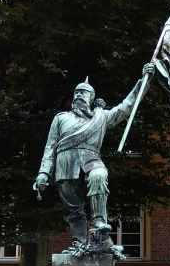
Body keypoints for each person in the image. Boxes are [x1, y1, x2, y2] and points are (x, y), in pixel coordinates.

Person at [33, 63, 154, 253]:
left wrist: (143, 82)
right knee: (74, 209)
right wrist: (43, 173)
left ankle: (99, 222)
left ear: (92, 98)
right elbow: (50, 146)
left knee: (99, 176)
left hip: (91, 159)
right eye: (77, 92)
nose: (79, 95)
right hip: (65, 163)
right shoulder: (61, 118)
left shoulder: (101, 117)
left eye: (84, 92)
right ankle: (81, 242)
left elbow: (126, 106)